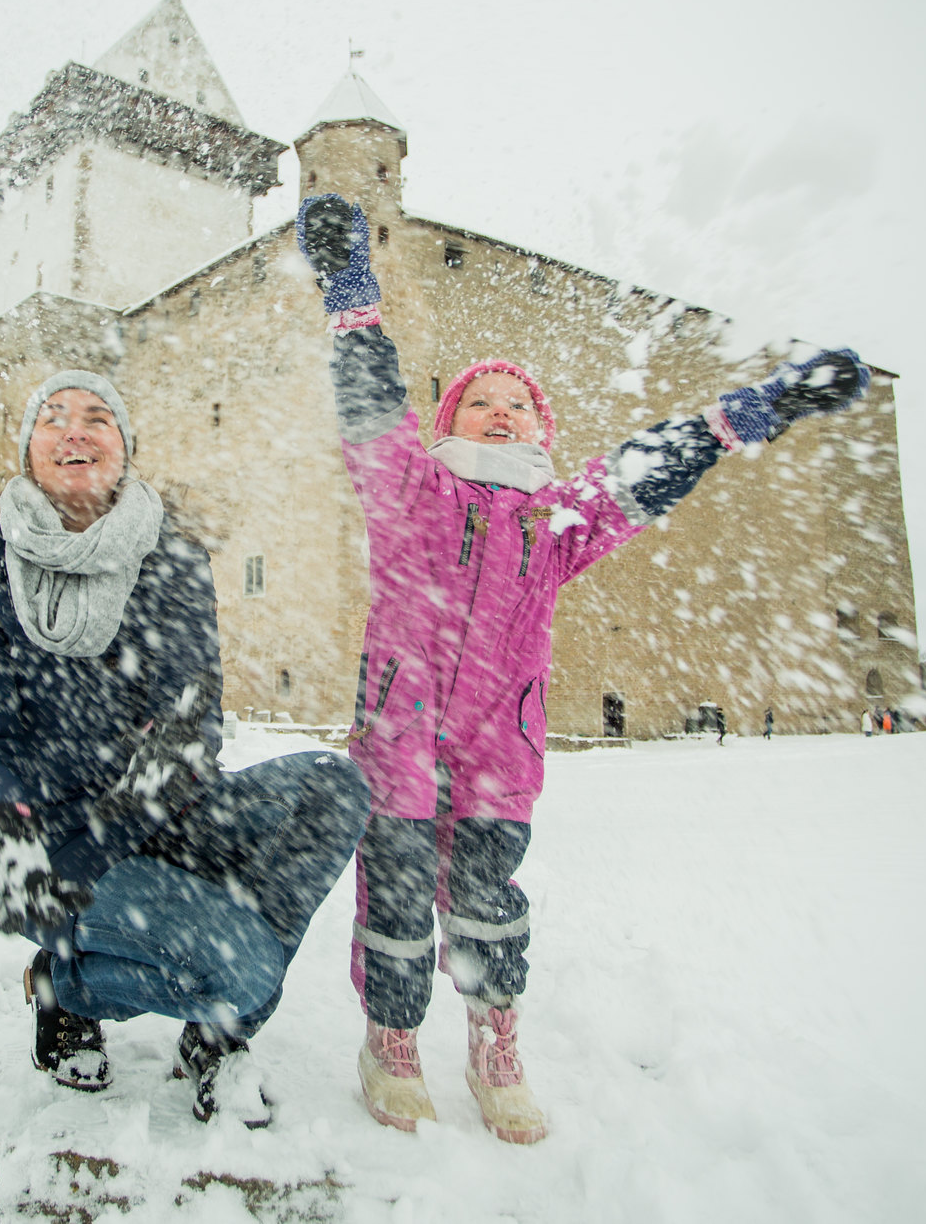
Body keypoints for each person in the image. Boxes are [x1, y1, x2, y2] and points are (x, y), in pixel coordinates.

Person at [296, 195, 870, 1144]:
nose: (500, 409)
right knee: (394, 895)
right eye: (480, 399)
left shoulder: (555, 521)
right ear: (452, 418)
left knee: (488, 901)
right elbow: (369, 403)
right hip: (397, 731)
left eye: (518, 403)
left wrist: (764, 405)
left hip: (498, 747)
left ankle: (494, 1033)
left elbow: (652, 468)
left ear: (539, 430)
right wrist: (351, 291)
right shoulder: (411, 488)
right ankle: (390, 1037)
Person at [0, 371, 369, 1128]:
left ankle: (204, 1012)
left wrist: (124, 832)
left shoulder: (170, 557)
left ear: (126, 448)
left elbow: (188, 725)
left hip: (164, 811)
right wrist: (8, 849)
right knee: (241, 968)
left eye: (98, 417)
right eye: (54, 418)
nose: (76, 430)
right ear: (27, 450)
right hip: (55, 843)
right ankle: (72, 987)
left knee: (336, 785)